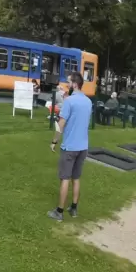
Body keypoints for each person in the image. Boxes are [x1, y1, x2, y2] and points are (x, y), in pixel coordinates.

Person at [48, 72, 92, 222]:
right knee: (76, 178)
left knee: (65, 178)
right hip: (83, 146)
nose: (67, 84)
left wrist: (54, 141)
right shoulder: (88, 102)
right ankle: (73, 208)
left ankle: (59, 212)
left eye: (68, 82)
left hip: (70, 146)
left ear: (74, 84)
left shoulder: (69, 101)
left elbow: (61, 123)